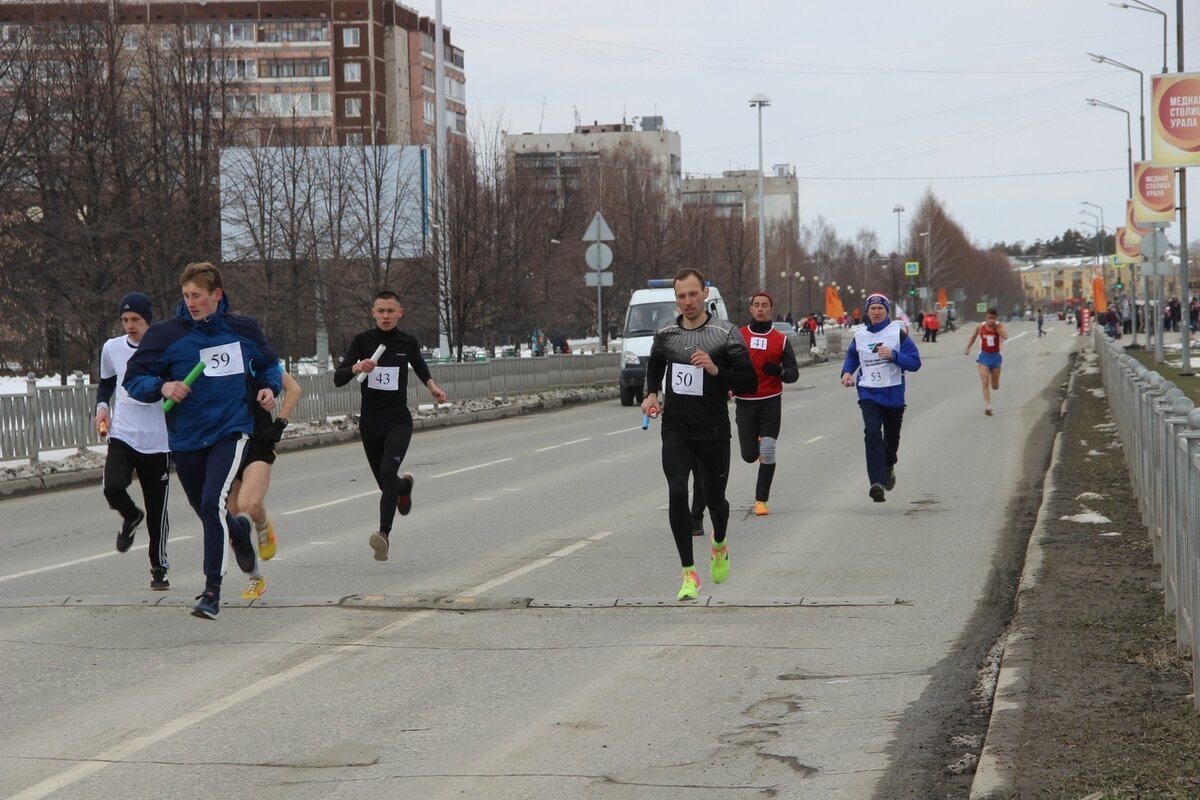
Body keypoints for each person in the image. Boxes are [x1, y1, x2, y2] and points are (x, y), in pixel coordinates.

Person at [125, 262, 280, 620]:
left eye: (197, 295)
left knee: (212, 503)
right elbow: (134, 378)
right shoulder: (166, 335)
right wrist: (162, 386)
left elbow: (270, 364)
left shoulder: (243, 329)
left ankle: (212, 591)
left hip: (231, 430)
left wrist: (269, 390)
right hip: (185, 437)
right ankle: (239, 531)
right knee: (210, 512)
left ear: (216, 295)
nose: (191, 302)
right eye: (186, 296)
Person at [640, 268, 757, 601]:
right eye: (681, 296)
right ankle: (689, 573)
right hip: (677, 427)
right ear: (675, 299)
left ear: (705, 293)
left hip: (714, 430)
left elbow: (748, 381)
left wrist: (715, 369)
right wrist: (651, 394)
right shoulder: (666, 333)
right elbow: (656, 363)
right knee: (677, 490)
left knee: (715, 501)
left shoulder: (725, 333)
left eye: (693, 294)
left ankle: (719, 543)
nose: (687, 302)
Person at [333, 290, 447, 562]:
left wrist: (433, 388)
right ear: (373, 312)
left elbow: (420, 368)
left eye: (390, 311)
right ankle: (403, 489)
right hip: (370, 422)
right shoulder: (363, 341)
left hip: (398, 420)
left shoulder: (407, 342)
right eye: (380, 311)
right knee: (387, 484)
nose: (385, 316)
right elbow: (338, 379)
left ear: (400, 313)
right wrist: (357, 367)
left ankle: (383, 536)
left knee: (387, 469)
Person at [96, 292, 172, 591]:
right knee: (112, 486)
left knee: (158, 512)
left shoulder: (164, 348)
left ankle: (159, 567)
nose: (130, 325)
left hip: (158, 440)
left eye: (136, 320)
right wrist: (102, 407)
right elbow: (106, 383)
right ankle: (130, 515)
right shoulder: (112, 348)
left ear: (147, 321)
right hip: (123, 434)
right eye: (125, 320)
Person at [226, 368, 302, 600]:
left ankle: (262, 525)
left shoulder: (256, 356)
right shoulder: (211, 355)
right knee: (230, 522)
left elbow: (294, 389)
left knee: (249, 504)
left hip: (258, 443)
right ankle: (256, 578)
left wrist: (279, 423)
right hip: (226, 444)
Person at [840, 293, 922, 502]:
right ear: (867, 311)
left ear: (886, 311)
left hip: (893, 394)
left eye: (880, 309)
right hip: (869, 392)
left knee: (891, 442)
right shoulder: (860, 336)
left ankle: (889, 464)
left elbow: (915, 362)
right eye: (873, 308)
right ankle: (876, 483)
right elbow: (852, 357)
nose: (876, 312)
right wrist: (847, 372)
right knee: (872, 432)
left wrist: (894, 356)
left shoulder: (897, 333)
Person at [733, 291, 800, 516]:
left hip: (770, 402)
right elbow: (727, 367)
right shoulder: (739, 336)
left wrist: (780, 371)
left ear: (771, 310)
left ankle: (761, 500)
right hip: (745, 402)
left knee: (768, 450)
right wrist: (728, 387)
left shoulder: (780, 340)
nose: (760, 309)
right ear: (750, 309)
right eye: (756, 305)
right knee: (749, 455)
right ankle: (757, 446)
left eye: (765, 305)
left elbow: (793, 374)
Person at [964, 307, 1008, 417]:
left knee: (995, 385)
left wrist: (996, 328)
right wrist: (968, 348)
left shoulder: (999, 326)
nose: (991, 320)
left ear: (996, 318)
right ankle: (988, 406)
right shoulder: (980, 327)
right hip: (984, 356)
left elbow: (1005, 336)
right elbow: (973, 337)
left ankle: (996, 384)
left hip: (996, 357)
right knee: (984, 381)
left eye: (993, 318)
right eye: (989, 318)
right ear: (986, 317)